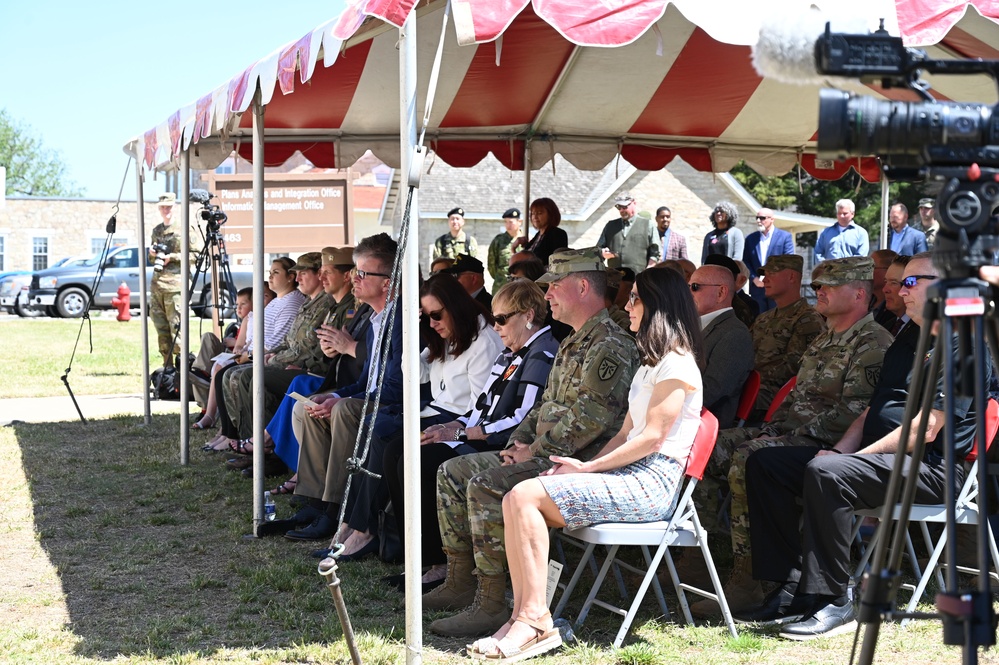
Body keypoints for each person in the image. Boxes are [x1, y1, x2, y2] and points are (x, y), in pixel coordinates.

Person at [742, 253, 989, 640]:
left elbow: (925, 428)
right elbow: (877, 408)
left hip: (934, 469)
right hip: (884, 458)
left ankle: (835, 602)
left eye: (910, 282)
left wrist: (853, 460)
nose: (896, 290)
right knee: (766, 463)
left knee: (828, 473)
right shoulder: (911, 336)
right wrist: (841, 450)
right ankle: (789, 587)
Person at [466, 266, 704, 661]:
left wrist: (590, 469)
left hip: (654, 483)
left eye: (635, 298)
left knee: (525, 496)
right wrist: (582, 463)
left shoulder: (677, 363)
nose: (626, 305)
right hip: (630, 473)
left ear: (658, 304)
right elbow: (626, 432)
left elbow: (651, 438)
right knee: (517, 496)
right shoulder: (651, 362)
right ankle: (524, 617)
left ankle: (533, 620)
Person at [426, 248, 638, 638]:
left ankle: (491, 603)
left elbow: (591, 419)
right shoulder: (574, 340)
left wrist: (533, 451)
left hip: (577, 463)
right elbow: (542, 405)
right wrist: (519, 442)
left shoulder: (610, 344)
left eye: (554, 286)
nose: (548, 296)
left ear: (583, 286)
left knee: (484, 483)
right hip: (545, 453)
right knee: (451, 471)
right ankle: (461, 582)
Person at [689, 256, 892, 618]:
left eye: (829, 285)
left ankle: (754, 580)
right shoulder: (827, 337)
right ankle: (695, 553)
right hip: (794, 433)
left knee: (748, 458)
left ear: (860, 293)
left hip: (829, 446)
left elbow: (852, 413)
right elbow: (795, 397)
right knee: (704, 446)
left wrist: (786, 434)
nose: (818, 292)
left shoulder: (872, 342)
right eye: (816, 286)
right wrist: (774, 426)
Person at [380, 279, 558, 587]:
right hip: (481, 434)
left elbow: (522, 418)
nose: (496, 325)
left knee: (421, 461)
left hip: (502, 443)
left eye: (501, 319)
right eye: (494, 317)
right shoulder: (511, 352)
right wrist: (452, 427)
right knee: (399, 449)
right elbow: (481, 406)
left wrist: (462, 434)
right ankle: (422, 558)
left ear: (528, 316)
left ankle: (442, 564)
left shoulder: (540, 353)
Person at [329, 274, 504, 560]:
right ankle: (356, 522)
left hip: (459, 420)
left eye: (436, 315)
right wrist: (417, 330)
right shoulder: (446, 334)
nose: (432, 322)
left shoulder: (482, 340)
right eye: (427, 316)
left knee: (386, 437)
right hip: (438, 410)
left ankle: (367, 529)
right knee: (378, 427)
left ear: (456, 307)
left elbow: (479, 408)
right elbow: (417, 372)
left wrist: (451, 429)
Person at [285, 233, 404, 541]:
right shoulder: (376, 320)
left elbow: (394, 387)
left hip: (397, 407)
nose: (354, 278)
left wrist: (343, 401)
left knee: (345, 411)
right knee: (308, 405)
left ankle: (336, 507)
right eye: (354, 270)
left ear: (388, 283)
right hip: (374, 398)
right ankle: (314, 499)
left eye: (363, 273)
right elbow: (366, 381)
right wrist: (334, 394)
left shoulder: (402, 320)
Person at [749, 255, 826, 419]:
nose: (765, 279)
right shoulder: (764, 318)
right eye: (764, 274)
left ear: (791, 277)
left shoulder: (807, 319)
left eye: (772, 273)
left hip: (774, 402)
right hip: (750, 391)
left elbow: (796, 369)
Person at [687, 264, 754, 429]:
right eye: (687, 287)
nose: (688, 293)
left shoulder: (734, 334)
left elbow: (711, 391)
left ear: (721, 293)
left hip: (701, 426)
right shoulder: (693, 326)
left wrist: (663, 404)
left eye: (695, 287)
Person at [149, 192, 203, 367]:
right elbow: (152, 260)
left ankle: (182, 371)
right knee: (161, 329)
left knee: (178, 329)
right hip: (158, 286)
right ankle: (167, 369)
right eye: (163, 207)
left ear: (174, 207)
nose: (166, 210)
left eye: (169, 206)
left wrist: (171, 257)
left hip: (176, 287)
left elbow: (197, 255)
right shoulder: (157, 231)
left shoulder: (185, 229)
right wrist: (153, 254)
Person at [743, 208, 795, 313]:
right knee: (758, 322)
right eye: (757, 218)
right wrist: (754, 278)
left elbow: (788, 261)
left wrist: (771, 278)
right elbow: (746, 262)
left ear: (772, 219)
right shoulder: (750, 239)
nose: (758, 221)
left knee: (777, 321)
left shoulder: (785, 237)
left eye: (762, 218)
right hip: (757, 289)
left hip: (777, 288)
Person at [597, 192, 659, 274]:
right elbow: (597, 250)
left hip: (638, 279)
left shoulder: (648, 225)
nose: (621, 210)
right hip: (614, 279)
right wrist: (603, 253)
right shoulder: (610, 226)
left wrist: (647, 272)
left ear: (634, 203)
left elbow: (655, 253)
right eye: (618, 207)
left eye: (625, 206)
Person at [516, 198, 569, 266]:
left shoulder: (557, 234)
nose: (535, 217)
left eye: (539, 213)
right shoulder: (538, 235)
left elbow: (556, 262)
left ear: (550, 214)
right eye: (533, 213)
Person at [488, 208, 522, 294]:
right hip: (501, 286)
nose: (508, 225)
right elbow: (491, 265)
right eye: (505, 222)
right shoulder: (498, 240)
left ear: (519, 222)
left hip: (521, 286)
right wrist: (500, 278)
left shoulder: (527, 240)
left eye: (511, 222)